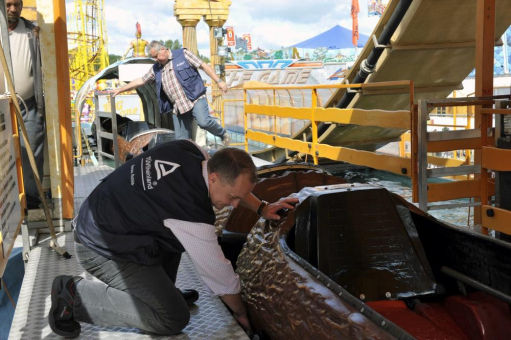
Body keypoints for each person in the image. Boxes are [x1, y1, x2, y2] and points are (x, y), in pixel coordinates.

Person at [48, 141, 298, 338]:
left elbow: (235, 186)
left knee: (173, 234)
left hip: (112, 219)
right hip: (101, 247)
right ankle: (72, 296)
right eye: (233, 198)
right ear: (213, 178)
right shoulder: (190, 212)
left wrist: (262, 207)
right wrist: (242, 314)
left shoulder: (191, 150)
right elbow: (220, 277)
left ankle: (164, 293)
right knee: (172, 318)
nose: (234, 206)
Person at [112, 41, 230, 145]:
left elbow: (203, 65)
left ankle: (223, 134)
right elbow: (141, 80)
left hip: (195, 98)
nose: (156, 60)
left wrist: (219, 81)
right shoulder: (156, 68)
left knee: (203, 122)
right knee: (180, 140)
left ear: (163, 49)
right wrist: (120, 89)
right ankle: (186, 162)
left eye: (157, 56)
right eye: (154, 57)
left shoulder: (183, 55)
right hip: (178, 106)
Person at [7, 0, 45, 209]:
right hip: (2, 106)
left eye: (17, 5)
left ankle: (31, 201)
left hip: (28, 105)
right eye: (8, 4)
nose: (13, 9)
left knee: (32, 152)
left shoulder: (32, 31)